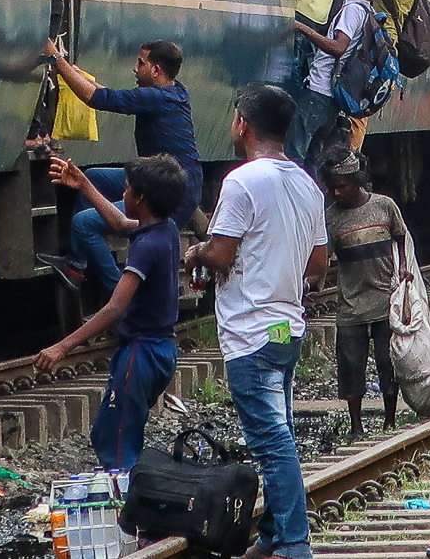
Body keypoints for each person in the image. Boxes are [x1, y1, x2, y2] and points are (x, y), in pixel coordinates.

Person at [186, 85, 328, 559]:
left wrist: (197, 253)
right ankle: (271, 536)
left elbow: (221, 252)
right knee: (280, 429)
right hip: (287, 329)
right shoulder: (307, 182)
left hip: (251, 333)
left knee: (271, 440)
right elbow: (319, 264)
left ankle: (293, 543)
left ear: (243, 124)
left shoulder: (242, 182)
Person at [35, 153, 190, 470]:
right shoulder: (165, 229)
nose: (123, 194)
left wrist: (62, 345)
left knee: (116, 443)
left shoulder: (146, 246)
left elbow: (116, 306)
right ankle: (131, 497)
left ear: (141, 198)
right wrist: (84, 185)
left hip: (142, 354)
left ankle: (127, 506)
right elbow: (119, 223)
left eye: (127, 189)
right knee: (111, 432)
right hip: (159, 350)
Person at [39, 39, 201, 293]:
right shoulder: (174, 92)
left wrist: (56, 60)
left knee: (84, 223)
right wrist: (78, 75)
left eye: (140, 63)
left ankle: (121, 295)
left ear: (156, 70)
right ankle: (75, 265)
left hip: (168, 193)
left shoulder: (156, 98)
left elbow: (95, 98)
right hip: (167, 181)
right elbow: (109, 95)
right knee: (94, 178)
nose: (135, 69)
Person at [323, 151, 410, 438]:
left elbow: (401, 239)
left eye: (343, 186)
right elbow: (322, 259)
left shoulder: (384, 206)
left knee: (388, 363)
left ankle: (389, 420)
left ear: (357, 181)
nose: (338, 192)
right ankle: (356, 426)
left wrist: (404, 272)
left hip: (385, 301)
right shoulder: (332, 219)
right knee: (351, 367)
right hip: (350, 306)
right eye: (333, 187)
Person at [291, 0, 387, 165]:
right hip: (332, 98)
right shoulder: (365, 12)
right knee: (312, 159)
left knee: (294, 153)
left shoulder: (352, 10)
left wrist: (302, 28)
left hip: (319, 92)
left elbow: (339, 47)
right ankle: (313, 195)